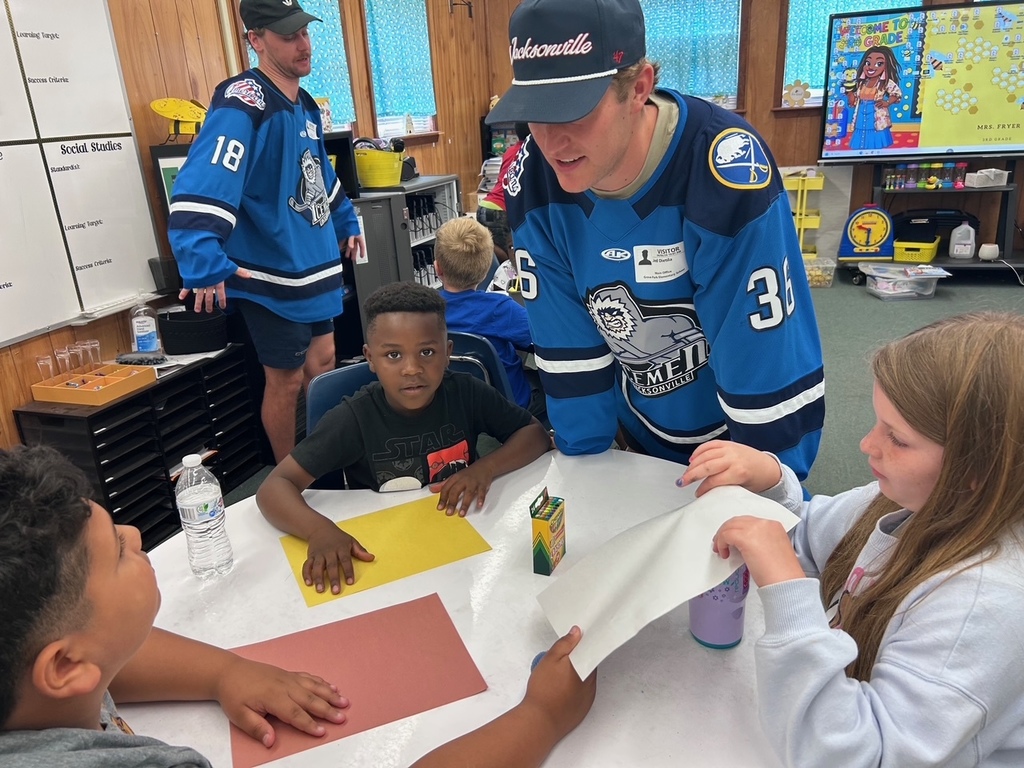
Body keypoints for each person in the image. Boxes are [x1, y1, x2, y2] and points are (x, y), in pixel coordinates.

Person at [0, 445, 595, 767]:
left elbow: (106, 657)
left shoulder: (36, 673)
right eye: (116, 553)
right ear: (64, 669)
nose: (135, 534)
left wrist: (225, 670)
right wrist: (539, 717)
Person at [486, 0, 825, 480]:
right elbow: (567, 352)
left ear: (639, 87)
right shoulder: (533, 182)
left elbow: (764, 359)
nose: (552, 143)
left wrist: (770, 482)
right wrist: (587, 478)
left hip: (739, 437)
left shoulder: (724, 171)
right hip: (642, 427)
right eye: (536, 116)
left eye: (575, 113)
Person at [680, 312, 1024, 766]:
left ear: (976, 470)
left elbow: (857, 757)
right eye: (878, 423)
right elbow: (808, 537)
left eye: (897, 439)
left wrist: (787, 592)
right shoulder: (904, 498)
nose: (866, 444)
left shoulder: (983, 609)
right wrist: (770, 481)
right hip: (843, 690)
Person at [257, 282, 551, 595]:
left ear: (448, 352)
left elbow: (534, 434)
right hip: (383, 559)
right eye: (393, 355)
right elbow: (274, 488)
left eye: (427, 352)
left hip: (463, 548)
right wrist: (319, 530)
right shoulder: (355, 418)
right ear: (370, 358)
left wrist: (484, 469)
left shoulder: (465, 392)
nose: (412, 369)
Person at [168, 0, 366, 464]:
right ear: (256, 40)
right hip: (270, 273)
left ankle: (324, 457)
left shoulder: (306, 105)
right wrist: (201, 256)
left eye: (304, 33)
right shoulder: (243, 100)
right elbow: (206, 178)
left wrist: (345, 220)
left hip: (313, 262)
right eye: (287, 36)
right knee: (287, 379)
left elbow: (316, 173)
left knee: (325, 364)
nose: (303, 45)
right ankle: (288, 475)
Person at [434, 217, 546, 419]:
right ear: (487, 269)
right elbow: (545, 337)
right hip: (507, 409)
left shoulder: (424, 310)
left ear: (437, 268)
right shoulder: (500, 308)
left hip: (449, 406)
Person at [477, 122, 530, 263]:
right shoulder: (531, 151)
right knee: (511, 258)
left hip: (487, 204)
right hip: (501, 209)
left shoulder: (510, 151)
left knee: (496, 252)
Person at [844, 46, 902, 151]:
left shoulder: (885, 82)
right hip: (861, 112)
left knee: (877, 131)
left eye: (879, 64)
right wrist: (850, 95)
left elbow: (896, 93)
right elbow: (854, 100)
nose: (871, 67)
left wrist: (887, 102)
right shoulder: (861, 83)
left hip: (876, 112)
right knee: (860, 130)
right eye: (868, 63)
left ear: (886, 66)